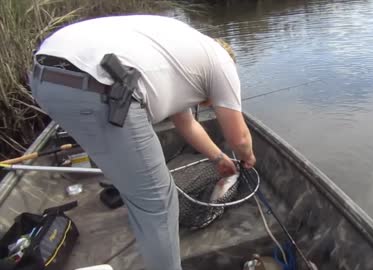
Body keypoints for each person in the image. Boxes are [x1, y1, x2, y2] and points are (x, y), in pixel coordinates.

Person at [29, 15, 256, 270]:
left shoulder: (184, 51)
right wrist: (246, 157)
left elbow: (187, 123)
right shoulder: (222, 62)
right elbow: (240, 138)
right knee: (158, 202)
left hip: (43, 78)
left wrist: (219, 158)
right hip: (96, 88)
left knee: (138, 183)